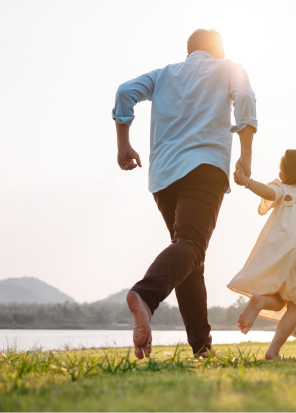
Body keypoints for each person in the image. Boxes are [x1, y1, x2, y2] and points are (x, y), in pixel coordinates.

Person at [111, 29, 258, 359]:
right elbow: (245, 99)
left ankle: (201, 348)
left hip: (163, 176)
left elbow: (124, 92)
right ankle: (145, 297)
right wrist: (246, 154)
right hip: (204, 167)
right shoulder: (229, 67)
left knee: (190, 259)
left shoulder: (164, 74)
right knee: (191, 247)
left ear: (188, 50)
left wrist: (124, 145)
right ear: (218, 50)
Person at [228, 149, 296, 359]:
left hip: (282, 246)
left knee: (279, 299)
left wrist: (246, 181)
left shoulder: (282, 188)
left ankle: (259, 300)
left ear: (282, 175)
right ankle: (273, 351)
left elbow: (268, 194)